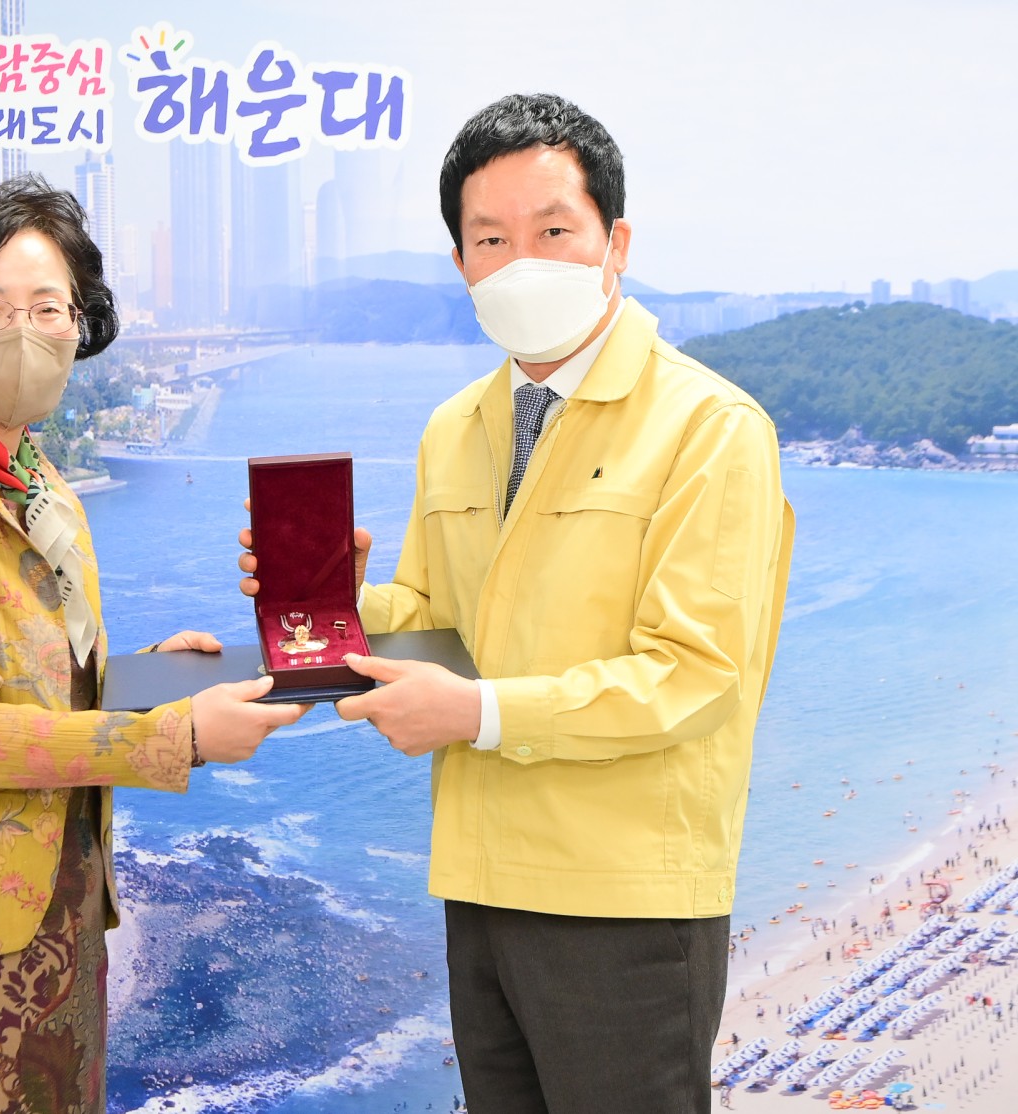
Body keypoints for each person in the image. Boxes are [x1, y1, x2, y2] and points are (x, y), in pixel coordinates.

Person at [240, 93, 792, 1113]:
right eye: (490, 239)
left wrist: (478, 714)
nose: (520, 261)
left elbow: (695, 676)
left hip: (624, 895)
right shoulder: (457, 425)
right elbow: (441, 616)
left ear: (615, 243)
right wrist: (335, 602)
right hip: (479, 877)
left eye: (553, 231)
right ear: (461, 262)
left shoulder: (709, 426)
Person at [0, 176, 305, 1114]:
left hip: (60, 914)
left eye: (49, 308)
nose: (23, 332)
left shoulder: (41, 485)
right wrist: (178, 735)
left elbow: (39, 689)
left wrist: (149, 680)